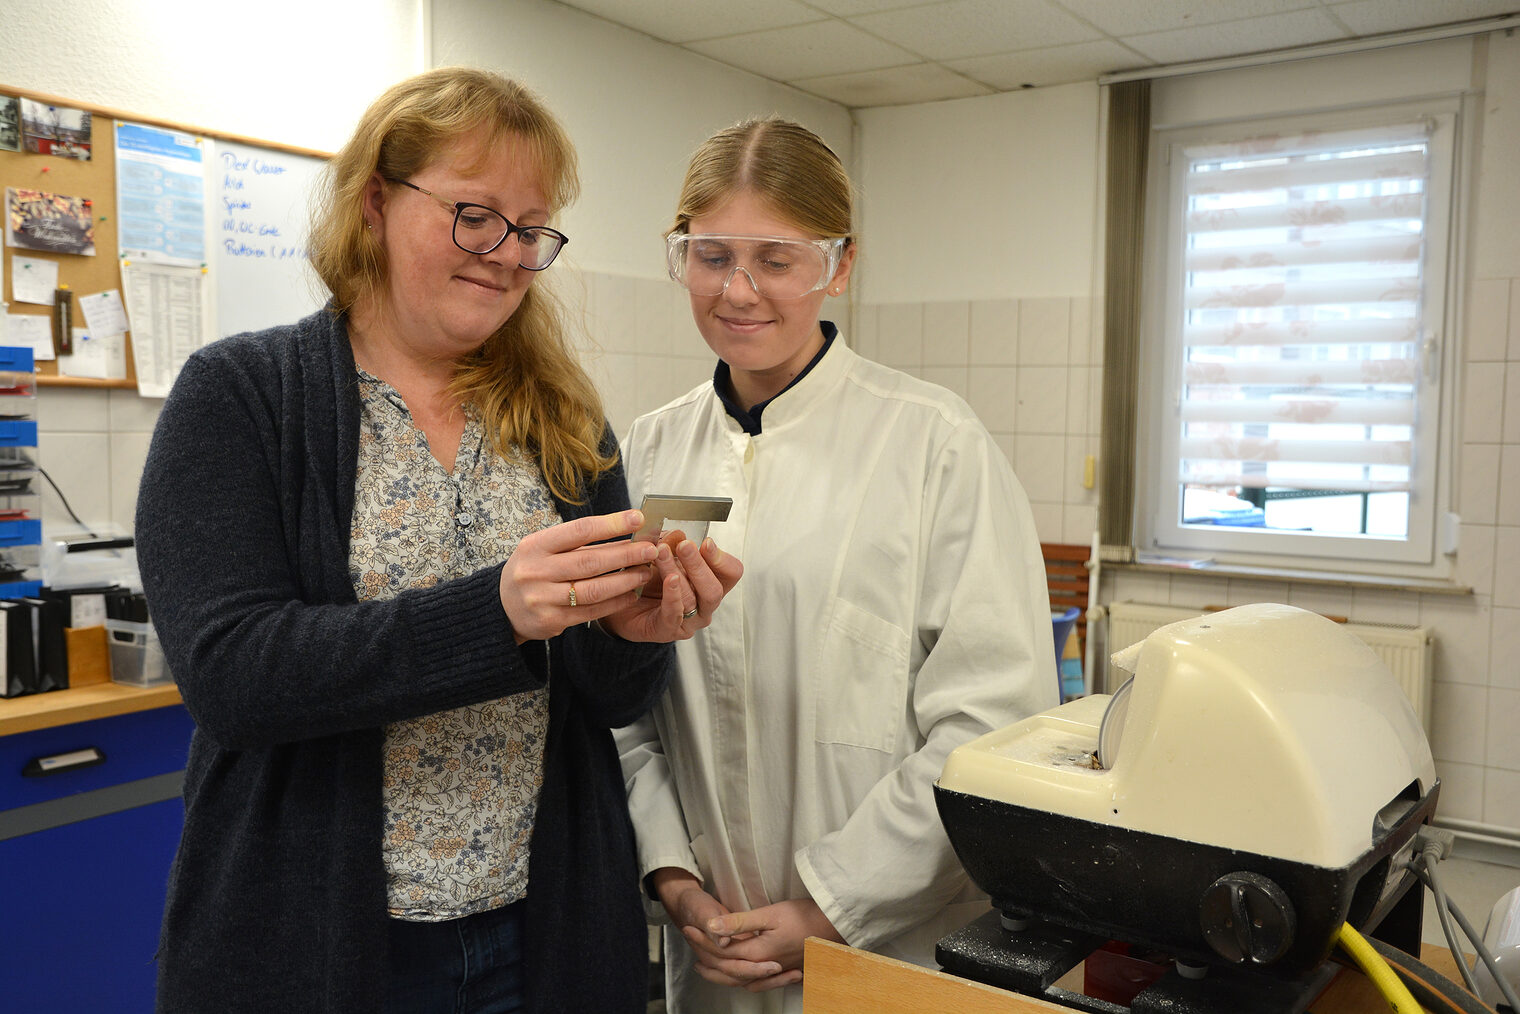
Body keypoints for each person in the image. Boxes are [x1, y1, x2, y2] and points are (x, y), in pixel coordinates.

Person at [135, 67, 740, 1014]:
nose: (505, 253)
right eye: (474, 214)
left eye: (531, 229)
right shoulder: (241, 397)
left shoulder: (564, 423)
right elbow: (231, 674)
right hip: (318, 944)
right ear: (375, 201)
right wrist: (495, 613)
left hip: (539, 929)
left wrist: (635, 633)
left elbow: (604, 703)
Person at [615, 117, 1058, 1013]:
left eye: (775, 259)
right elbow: (630, 708)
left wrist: (828, 902)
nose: (737, 290)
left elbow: (992, 724)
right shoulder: (650, 449)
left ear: (838, 266)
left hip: (888, 951)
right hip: (714, 952)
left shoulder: (934, 443)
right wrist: (673, 878)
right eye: (710, 255)